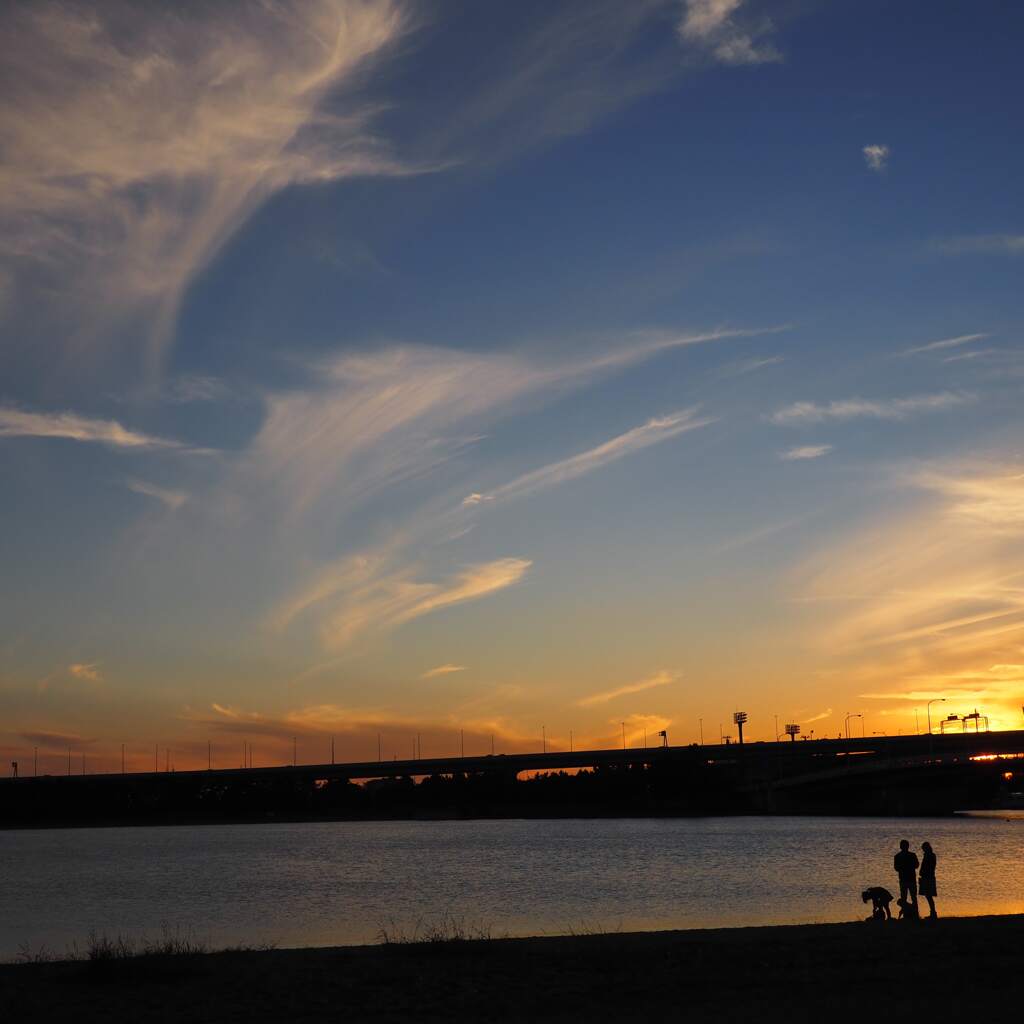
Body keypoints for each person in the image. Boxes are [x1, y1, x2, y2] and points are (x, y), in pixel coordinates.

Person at [893, 839, 919, 916]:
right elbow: (916, 865)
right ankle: (912, 914)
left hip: (907, 879)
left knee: (910, 897)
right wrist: (908, 866)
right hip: (906, 879)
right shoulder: (911, 855)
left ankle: (913, 914)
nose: (904, 847)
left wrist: (904, 867)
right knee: (909, 897)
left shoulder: (898, 856)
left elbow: (916, 865)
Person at [919, 841, 938, 918]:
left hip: (928, 877)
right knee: (928, 896)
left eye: (923, 848)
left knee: (928, 895)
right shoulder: (930, 855)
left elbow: (929, 867)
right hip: (928, 876)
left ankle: (933, 913)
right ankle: (933, 912)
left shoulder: (929, 855)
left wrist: (923, 872)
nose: (923, 850)